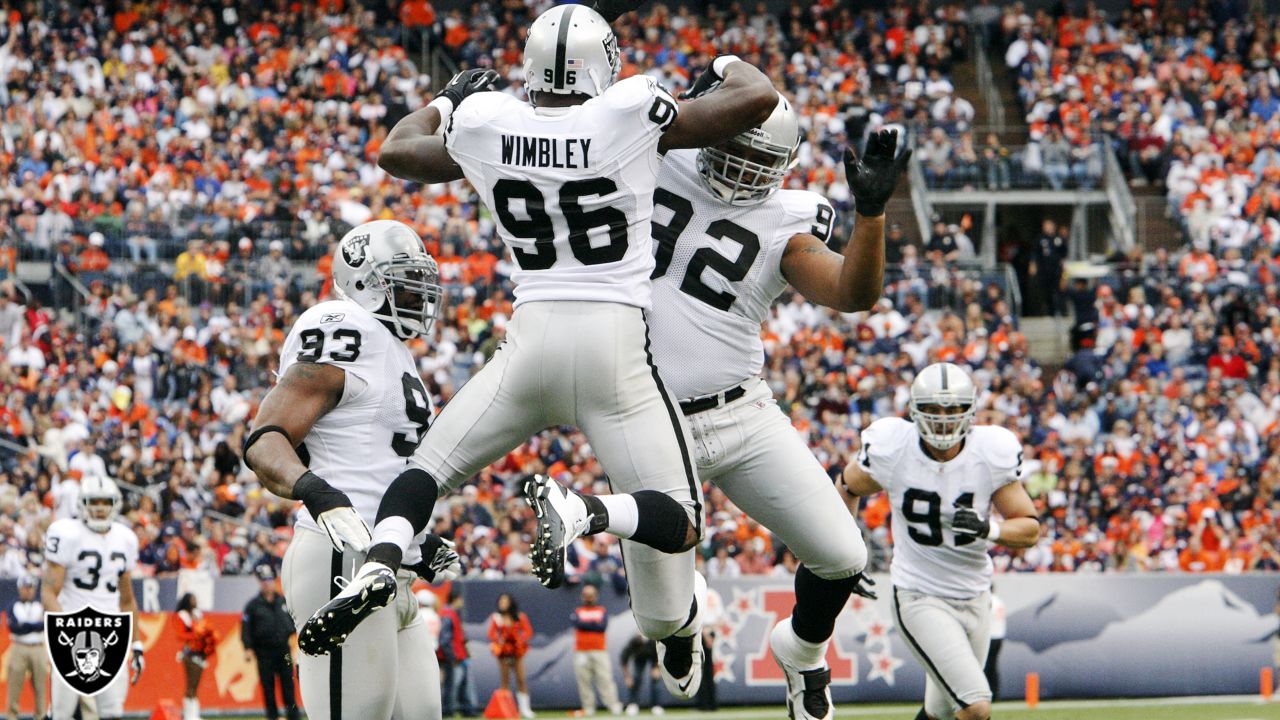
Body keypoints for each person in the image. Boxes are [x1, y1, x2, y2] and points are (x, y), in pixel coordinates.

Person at [303, 2, 779, 704]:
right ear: (604, 62)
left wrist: (445, 99)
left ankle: (380, 557)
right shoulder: (626, 111)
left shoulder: (490, 121)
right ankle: (587, 511)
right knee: (681, 516)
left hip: (530, 340)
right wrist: (726, 65)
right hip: (615, 340)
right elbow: (755, 102)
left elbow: (398, 151)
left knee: (429, 470)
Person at [643, 95, 905, 717]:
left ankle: (800, 651)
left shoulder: (785, 218)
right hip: (648, 420)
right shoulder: (653, 158)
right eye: (733, 151)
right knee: (658, 623)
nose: (741, 170)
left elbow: (852, 291)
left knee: (843, 556)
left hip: (743, 412)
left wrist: (870, 214)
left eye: (758, 160)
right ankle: (681, 624)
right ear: (709, 135)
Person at [241, 219, 460, 720]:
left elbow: (380, 460)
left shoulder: (393, 351)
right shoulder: (342, 323)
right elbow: (266, 439)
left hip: (393, 569)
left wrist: (417, 542)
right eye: (402, 281)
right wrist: (317, 493)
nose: (416, 294)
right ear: (364, 282)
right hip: (346, 561)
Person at [839, 363, 1041, 720]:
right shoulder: (894, 447)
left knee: (941, 713)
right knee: (975, 707)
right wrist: (844, 553)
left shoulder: (990, 452)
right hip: (920, 594)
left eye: (952, 409)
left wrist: (987, 529)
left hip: (976, 595)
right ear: (915, 410)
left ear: (971, 411)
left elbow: (1029, 528)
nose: (943, 419)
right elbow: (848, 485)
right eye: (933, 409)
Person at [42, 476, 144, 720]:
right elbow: (48, 592)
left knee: (112, 712)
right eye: (94, 501)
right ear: (82, 504)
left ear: (115, 504)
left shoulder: (126, 538)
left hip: (111, 632)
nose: (99, 508)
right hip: (73, 629)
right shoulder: (66, 533)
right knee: (63, 713)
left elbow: (127, 599)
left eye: (105, 502)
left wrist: (137, 644)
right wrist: (65, 632)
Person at [241, 565, 300, 720]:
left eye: (269, 580)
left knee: (289, 685)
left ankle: (293, 716)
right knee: (268, 687)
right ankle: (272, 717)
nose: (267, 583)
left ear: (274, 581)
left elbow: (295, 622)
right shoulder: (253, 606)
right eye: (263, 580)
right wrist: (248, 648)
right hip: (264, 652)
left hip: (284, 651)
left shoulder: (284, 601)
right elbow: (246, 628)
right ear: (259, 583)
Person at [570, 585, 622, 717]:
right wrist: (593, 624)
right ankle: (588, 707)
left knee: (605, 678)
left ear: (596, 596)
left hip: (599, 650)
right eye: (586, 594)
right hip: (581, 651)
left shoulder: (601, 610)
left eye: (591, 594)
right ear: (582, 596)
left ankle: (613, 705)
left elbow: (602, 627)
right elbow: (578, 624)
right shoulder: (578, 610)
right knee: (584, 681)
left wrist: (587, 624)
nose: (589, 597)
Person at [6, 576, 48, 720]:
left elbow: (44, 625)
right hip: (19, 646)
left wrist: (26, 625)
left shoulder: (41, 605)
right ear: (19, 589)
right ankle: (11, 716)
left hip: (38, 647)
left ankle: (41, 716)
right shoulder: (13, 605)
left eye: (30, 587)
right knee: (14, 684)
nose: (28, 591)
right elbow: (13, 627)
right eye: (25, 587)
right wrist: (34, 625)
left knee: (41, 685)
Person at [488, 594, 535, 719]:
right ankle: (506, 709)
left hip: (517, 651)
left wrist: (520, 639)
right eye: (501, 601)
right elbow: (491, 634)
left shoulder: (520, 617)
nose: (502, 603)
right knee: (504, 681)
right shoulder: (497, 618)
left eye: (505, 601)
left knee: (521, 679)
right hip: (503, 652)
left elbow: (528, 632)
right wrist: (499, 640)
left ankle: (525, 708)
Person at [172, 592, 217, 720]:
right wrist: (196, 634)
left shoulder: (197, 614)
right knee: (191, 684)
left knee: (196, 685)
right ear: (187, 601)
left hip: (200, 652)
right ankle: (189, 715)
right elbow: (180, 634)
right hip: (190, 652)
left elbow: (205, 628)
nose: (195, 601)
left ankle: (194, 713)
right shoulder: (183, 615)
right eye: (193, 599)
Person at [439, 588, 478, 718]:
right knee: (452, 685)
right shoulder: (448, 615)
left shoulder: (452, 614)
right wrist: (451, 656)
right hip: (454, 657)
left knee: (461, 684)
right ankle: (447, 709)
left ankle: (466, 709)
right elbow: (445, 639)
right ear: (456, 599)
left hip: (459, 656)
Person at [620, 634, 661, 717]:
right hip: (639, 659)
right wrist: (627, 677)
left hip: (654, 658)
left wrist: (657, 668)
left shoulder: (654, 642)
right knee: (636, 678)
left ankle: (656, 706)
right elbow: (624, 659)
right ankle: (632, 704)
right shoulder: (633, 642)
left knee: (655, 680)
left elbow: (660, 655)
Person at [983, 588, 1005, 700]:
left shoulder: (989, 600)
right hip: (1000, 636)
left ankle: (985, 694)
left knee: (985, 666)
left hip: (990, 636)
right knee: (993, 666)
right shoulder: (999, 600)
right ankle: (995, 694)